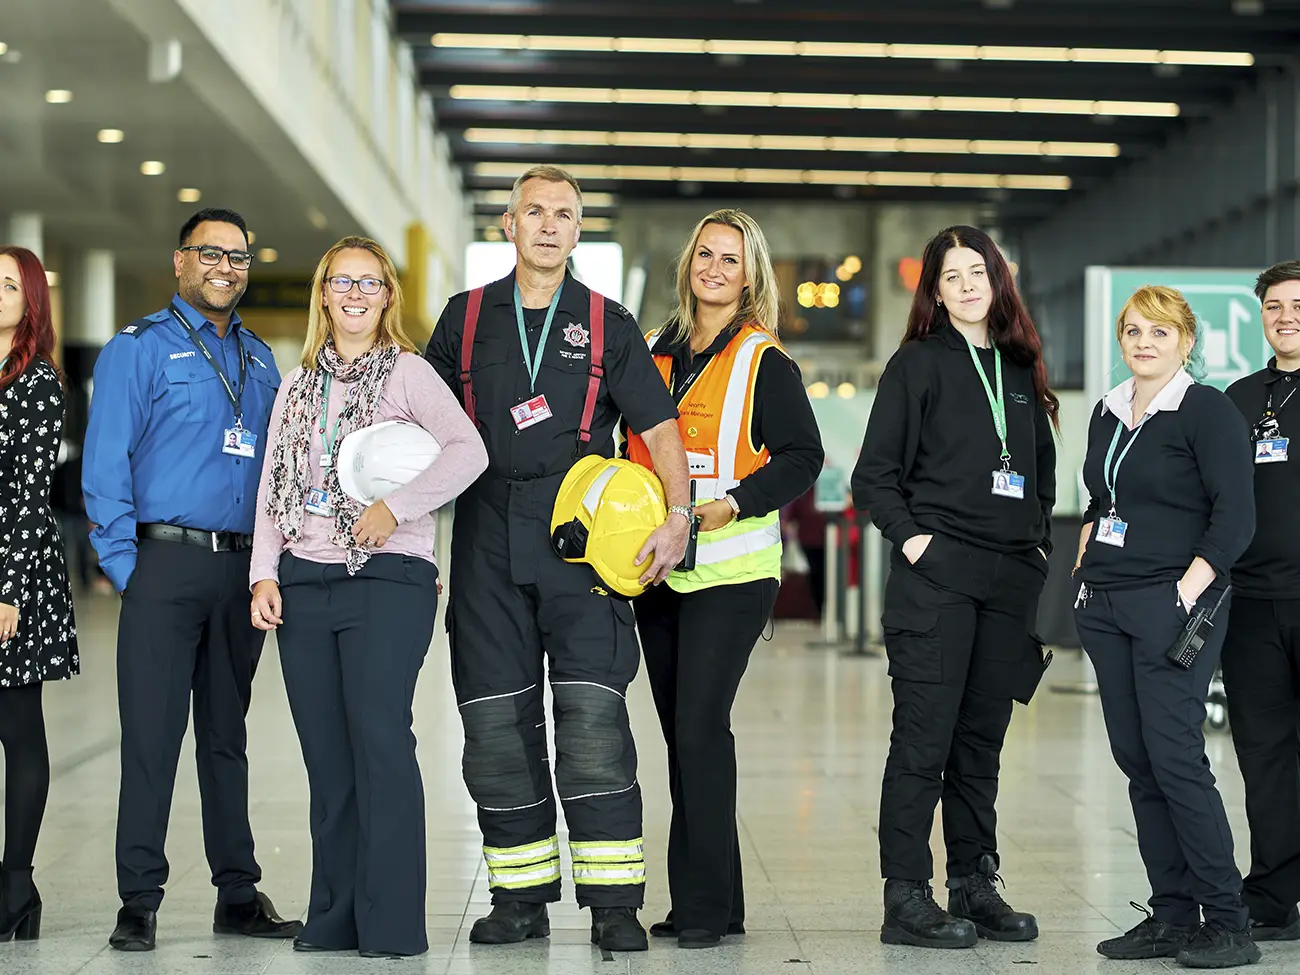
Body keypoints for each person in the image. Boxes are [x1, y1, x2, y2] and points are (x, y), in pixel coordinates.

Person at [425, 164, 691, 952]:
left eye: (564, 214)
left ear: (578, 232)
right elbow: (422, 427)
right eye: (532, 211)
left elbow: (663, 431)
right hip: (483, 538)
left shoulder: (609, 323)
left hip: (584, 541)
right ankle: (520, 897)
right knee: (496, 727)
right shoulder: (464, 318)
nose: (547, 224)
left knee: (593, 722)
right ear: (507, 225)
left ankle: (614, 902)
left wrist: (677, 516)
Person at [247, 237, 486, 957]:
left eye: (370, 282)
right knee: (327, 757)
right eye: (341, 281)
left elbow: (468, 451)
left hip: (387, 579)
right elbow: (271, 486)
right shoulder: (296, 385)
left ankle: (389, 925)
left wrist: (396, 506)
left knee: (380, 741)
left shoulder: (409, 374)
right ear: (323, 293)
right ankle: (335, 917)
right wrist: (264, 570)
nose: (355, 293)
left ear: (388, 296)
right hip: (303, 580)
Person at [83, 209, 299, 951]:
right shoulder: (137, 350)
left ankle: (236, 892)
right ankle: (137, 898)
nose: (226, 267)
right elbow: (104, 464)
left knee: (225, 735)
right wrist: (127, 570)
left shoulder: (261, 358)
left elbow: (276, 469)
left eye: (238, 257)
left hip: (241, 571)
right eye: (211, 253)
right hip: (163, 565)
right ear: (181, 262)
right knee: (152, 736)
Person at [852, 226, 1057, 950]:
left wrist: (1035, 553)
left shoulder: (1020, 367)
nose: (968, 284)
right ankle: (906, 893)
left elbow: (1042, 475)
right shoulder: (918, 365)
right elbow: (873, 476)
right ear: (935, 291)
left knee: (980, 742)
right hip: (936, 577)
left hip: (1007, 580)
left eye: (979, 271)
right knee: (923, 740)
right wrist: (919, 544)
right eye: (952, 275)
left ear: (998, 281)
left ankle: (974, 881)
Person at [624, 209, 823, 949]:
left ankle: (703, 906)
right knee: (684, 734)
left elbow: (803, 456)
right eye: (704, 253)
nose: (713, 267)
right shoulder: (652, 349)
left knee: (702, 726)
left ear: (750, 274)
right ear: (688, 265)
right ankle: (720, 899)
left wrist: (728, 504)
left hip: (732, 571)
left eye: (729, 259)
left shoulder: (763, 359)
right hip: (657, 569)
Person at [1074, 285, 1258, 968]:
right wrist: (1086, 556)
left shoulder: (1205, 410)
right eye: (1132, 331)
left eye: (1159, 331)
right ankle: (1174, 913)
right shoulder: (1110, 409)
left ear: (1186, 340)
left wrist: (1184, 591)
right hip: (1107, 603)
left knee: (1177, 757)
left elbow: (1235, 516)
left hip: (1173, 603)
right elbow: (1102, 494)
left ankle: (1229, 919)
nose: (1144, 343)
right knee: (1139, 761)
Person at [0, 247, 78, 943]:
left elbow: (27, 498)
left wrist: (7, 590)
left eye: (8, 286)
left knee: (18, 728)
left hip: (12, 575)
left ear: (31, 301)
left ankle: (17, 881)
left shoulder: (37, 383)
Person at [1222, 260, 1300, 942]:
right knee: (1264, 754)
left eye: (1297, 304)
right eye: (1274, 306)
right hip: (1251, 604)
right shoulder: (1241, 398)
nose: (1285, 315)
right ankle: (1272, 894)